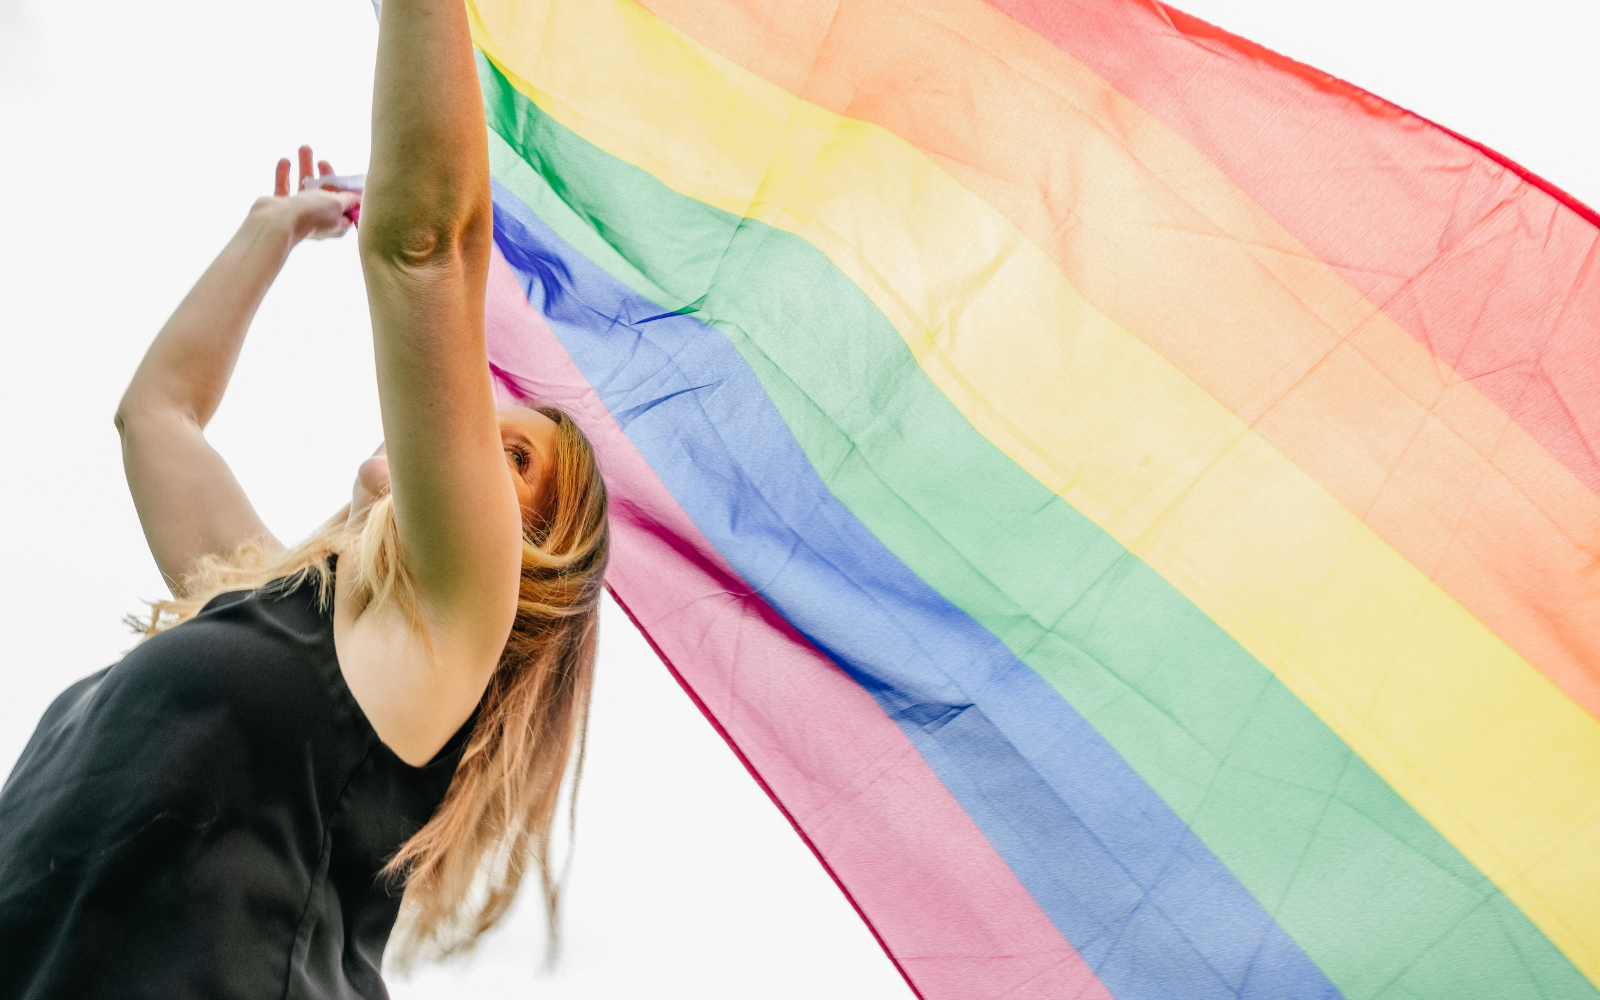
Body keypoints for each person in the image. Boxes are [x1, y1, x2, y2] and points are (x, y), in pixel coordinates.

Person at [0, 0, 609, 995]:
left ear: (524, 549)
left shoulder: (436, 633)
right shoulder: (276, 607)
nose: (468, 429)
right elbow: (157, 417)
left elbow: (427, 247)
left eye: (514, 458)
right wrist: (269, 232)